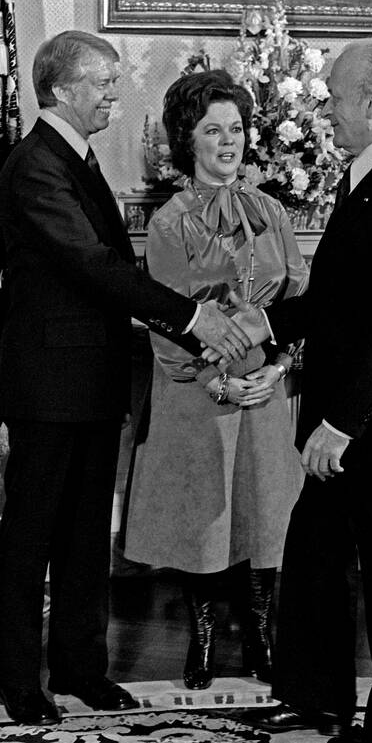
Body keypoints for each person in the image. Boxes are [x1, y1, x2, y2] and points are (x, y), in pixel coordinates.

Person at [0, 31, 252, 726]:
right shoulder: (34, 165)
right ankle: (20, 682)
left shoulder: (73, 156)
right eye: (103, 82)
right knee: (30, 538)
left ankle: (82, 667)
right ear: (59, 90)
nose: (114, 92)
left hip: (92, 380)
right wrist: (189, 315)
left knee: (83, 537)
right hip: (48, 384)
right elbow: (91, 265)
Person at [234, 38, 372, 743]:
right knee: (314, 557)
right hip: (355, 418)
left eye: (332, 97)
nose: (325, 109)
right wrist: (264, 322)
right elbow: (340, 302)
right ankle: (314, 696)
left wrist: (341, 422)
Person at [123, 70, 309, 690]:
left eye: (236, 128)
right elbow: (168, 320)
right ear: (188, 140)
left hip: (265, 396)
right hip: (197, 399)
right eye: (213, 130)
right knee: (204, 521)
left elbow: (301, 302)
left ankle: (261, 635)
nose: (228, 142)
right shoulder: (171, 223)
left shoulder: (272, 212)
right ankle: (200, 642)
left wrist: (279, 370)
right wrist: (218, 383)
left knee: (265, 518)